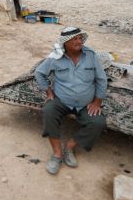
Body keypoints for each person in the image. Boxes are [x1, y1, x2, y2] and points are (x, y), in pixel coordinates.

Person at [34, 26, 107, 175]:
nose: (79, 41)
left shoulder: (91, 55)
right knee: (49, 111)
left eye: (80, 38)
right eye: (74, 39)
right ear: (65, 42)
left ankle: (69, 147)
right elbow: (39, 73)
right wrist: (49, 92)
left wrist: (97, 102)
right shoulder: (55, 57)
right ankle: (57, 154)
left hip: (85, 103)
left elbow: (101, 79)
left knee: (98, 122)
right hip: (62, 100)